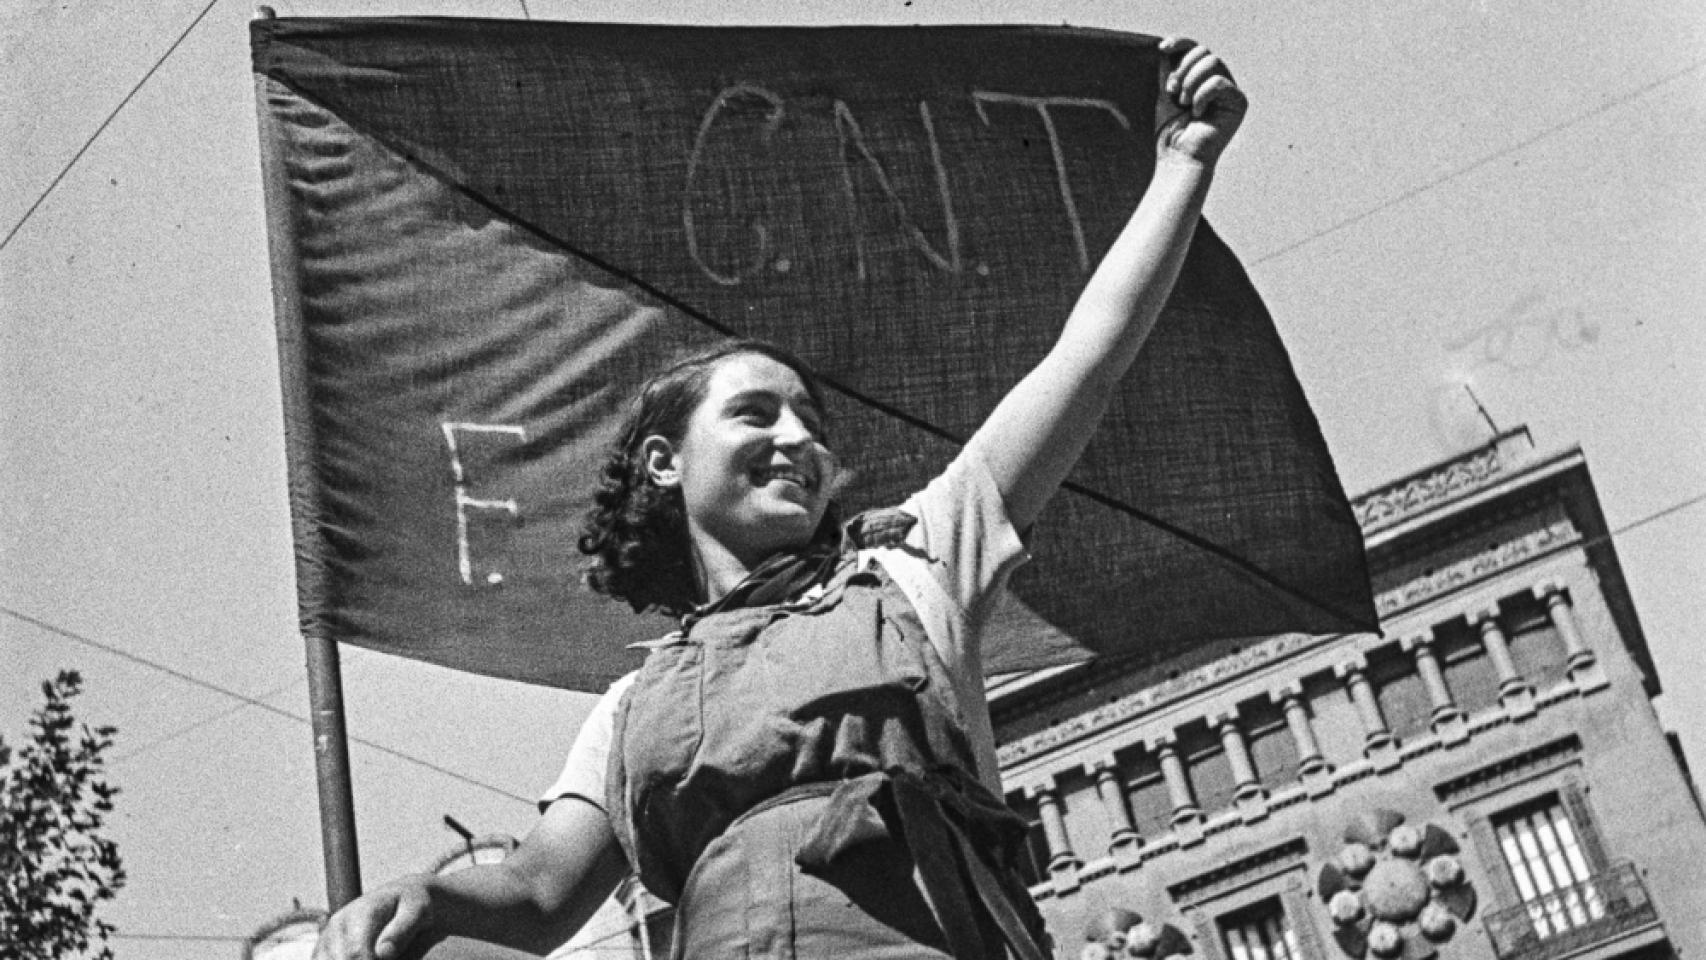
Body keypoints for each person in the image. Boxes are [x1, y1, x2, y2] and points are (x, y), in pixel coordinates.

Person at [314, 35, 1245, 960]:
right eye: (756, 414)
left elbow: (1087, 358)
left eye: (811, 421)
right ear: (664, 464)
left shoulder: (914, 567)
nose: (799, 440)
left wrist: (1183, 166)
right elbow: (537, 890)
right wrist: (423, 895)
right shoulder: (629, 708)